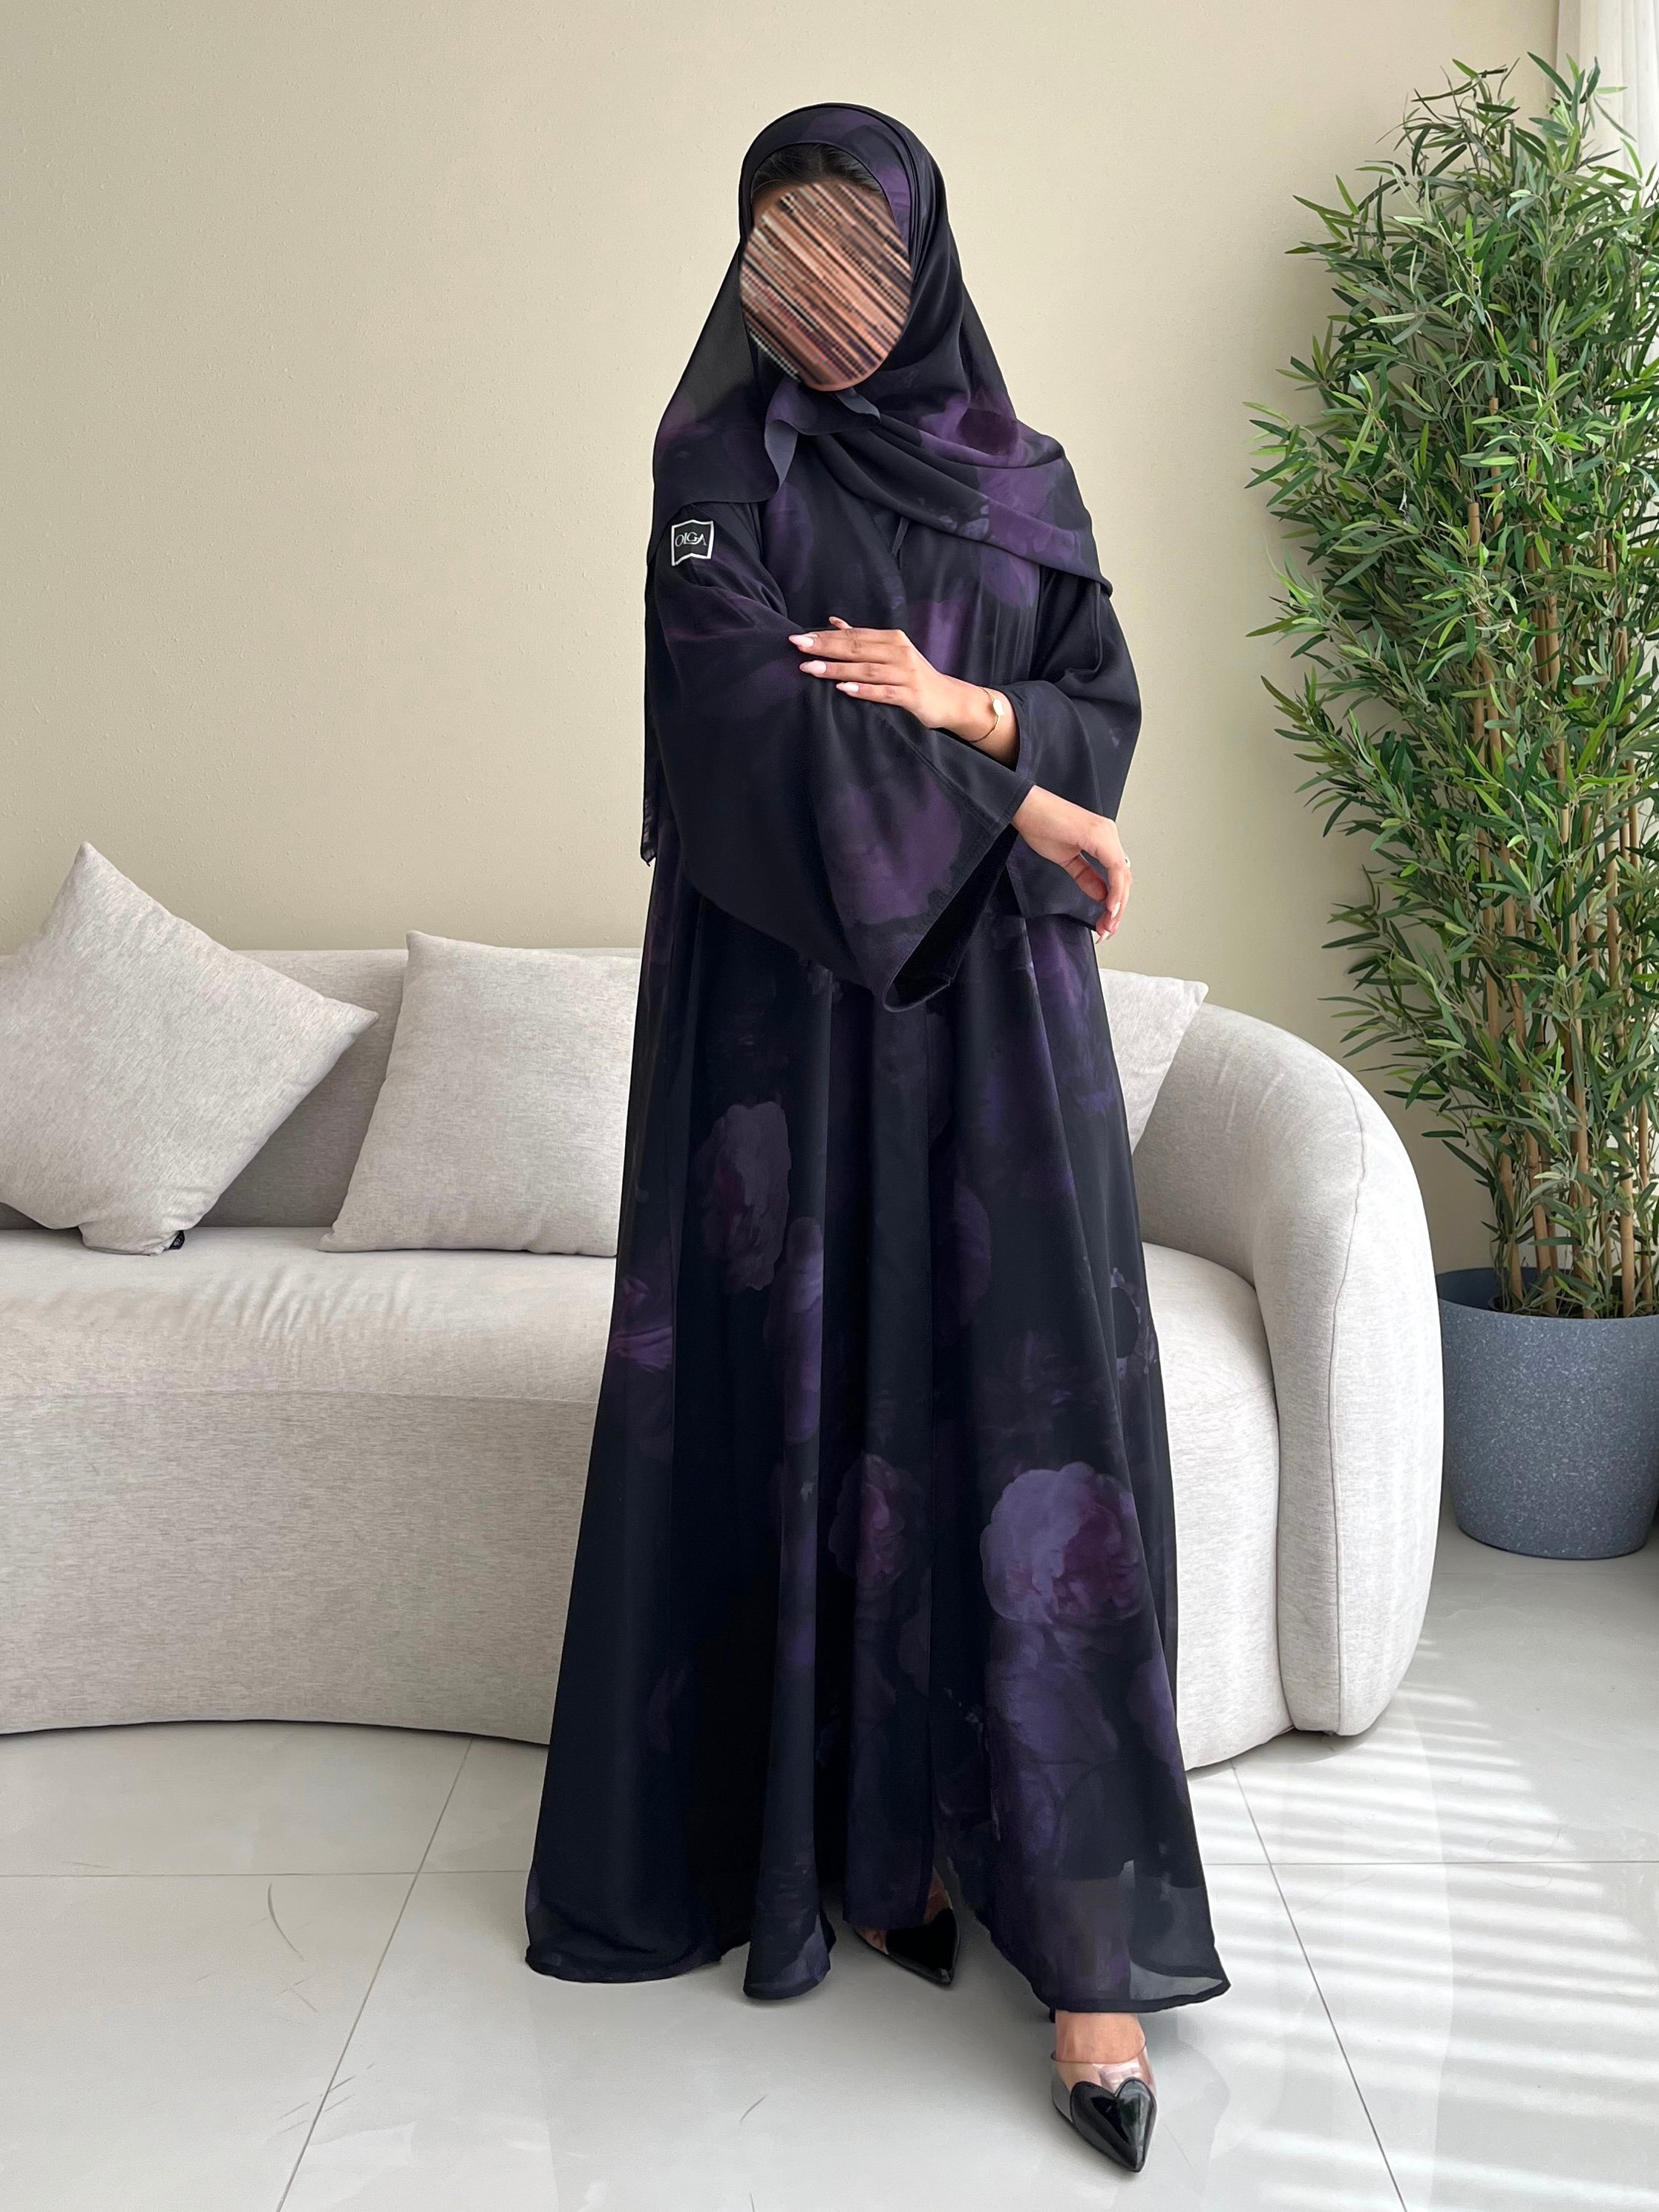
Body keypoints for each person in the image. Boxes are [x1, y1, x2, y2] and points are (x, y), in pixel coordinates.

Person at [525, 100, 1228, 2175]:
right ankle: (844, 1843)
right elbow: (742, 723)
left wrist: (971, 715)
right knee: (795, 1392)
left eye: (854, 245)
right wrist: (1022, 800)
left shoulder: (1019, 472)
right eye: (783, 243)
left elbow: (1093, 694)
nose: (817, 286)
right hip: (777, 1016)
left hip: (996, 1026)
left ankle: (1086, 1952)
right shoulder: (713, 469)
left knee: (1031, 1428)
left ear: (923, 262)